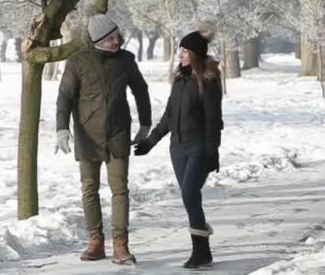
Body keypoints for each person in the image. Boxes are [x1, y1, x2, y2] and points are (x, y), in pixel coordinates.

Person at [55, 14, 152, 265]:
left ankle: (121, 245)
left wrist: (145, 123)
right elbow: (65, 96)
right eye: (111, 38)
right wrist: (61, 129)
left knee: (120, 189)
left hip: (118, 133)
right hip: (88, 134)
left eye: (117, 36)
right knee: (89, 188)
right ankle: (95, 241)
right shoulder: (78, 61)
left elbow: (141, 90)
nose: (116, 41)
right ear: (98, 39)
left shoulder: (126, 60)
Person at [133, 30, 223, 269]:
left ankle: (200, 250)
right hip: (177, 148)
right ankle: (204, 252)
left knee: (189, 194)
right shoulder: (179, 80)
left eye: (185, 51)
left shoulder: (209, 80)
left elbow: (214, 119)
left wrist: (212, 151)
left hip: (199, 147)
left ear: (195, 54)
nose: (180, 54)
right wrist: (150, 142)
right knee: (191, 198)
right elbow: (169, 116)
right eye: (180, 50)